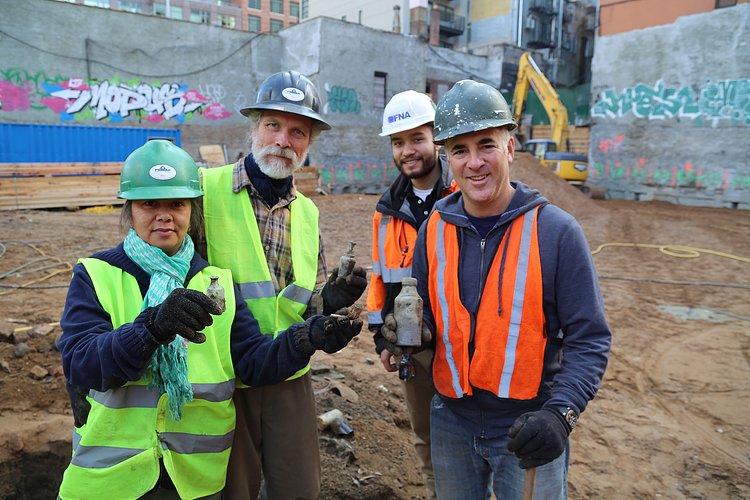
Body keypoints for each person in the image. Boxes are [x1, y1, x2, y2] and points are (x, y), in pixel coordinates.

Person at [56, 140, 362, 499]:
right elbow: (81, 365)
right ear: (129, 209)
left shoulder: (216, 283)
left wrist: (307, 338)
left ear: (192, 210)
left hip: (194, 480)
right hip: (112, 481)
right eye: (149, 203)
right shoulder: (96, 274)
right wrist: (151, 327)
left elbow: (252, 362)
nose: (164, 215)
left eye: (177, 203)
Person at [383, 80, 611, 499]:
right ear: (447, 158)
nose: (474, 163)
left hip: (528, 426)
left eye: (486, 145)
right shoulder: (433, 229)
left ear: (509, 147)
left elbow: (589, 338)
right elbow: (431, 313)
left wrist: (561, 415)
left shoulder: (556, 232)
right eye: (460, 150)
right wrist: (411, 332)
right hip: (450, 418)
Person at [199, 71, 368, 499]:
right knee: (232, 491)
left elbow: (306, 304)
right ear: (254, 128)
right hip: (225, 377)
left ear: (308, 143)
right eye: (273, 125)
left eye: (297, 131)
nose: (283, 140)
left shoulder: (309, 214)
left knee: (298, 489)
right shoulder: (206, 191)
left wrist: (331, 301)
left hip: (289, 375)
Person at [367, 90, 456, 499]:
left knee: (475, 433)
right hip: (413, 347)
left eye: (416, 138)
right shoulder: (387, 210)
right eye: (398, 142)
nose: (408, 150)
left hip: (464, 342)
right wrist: (379, 336)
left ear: (436, 137)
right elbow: (380, 278)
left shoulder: (464, 194)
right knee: (425, 436)